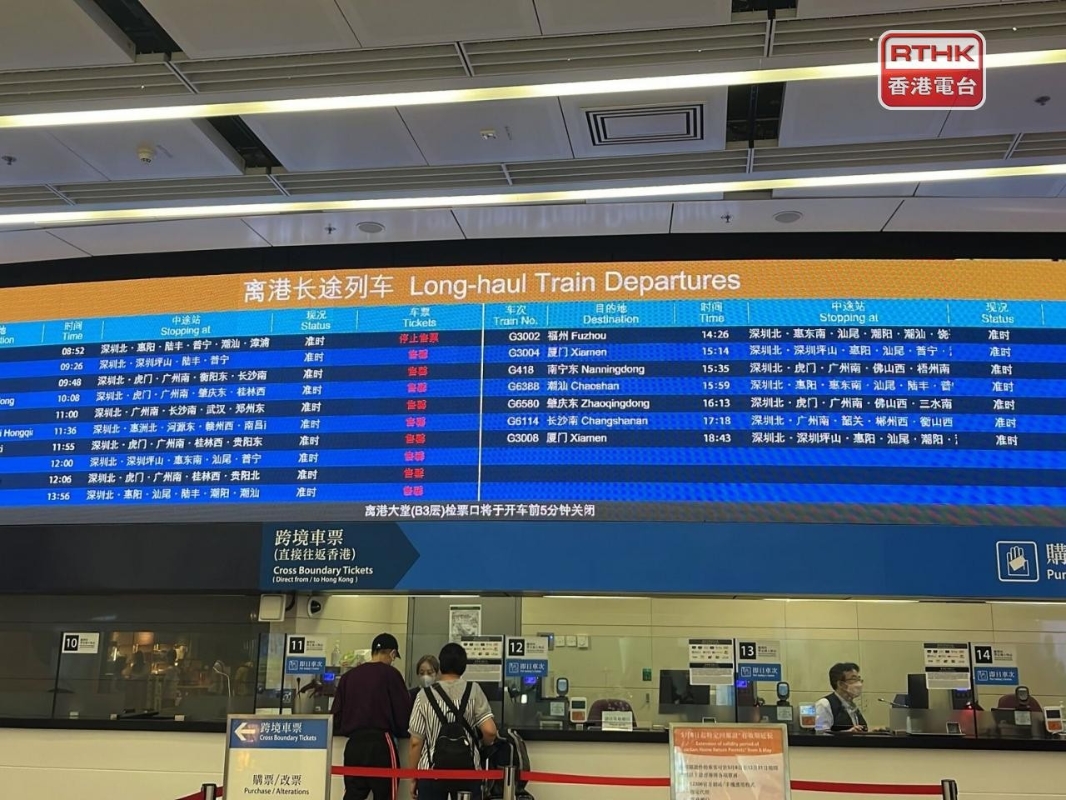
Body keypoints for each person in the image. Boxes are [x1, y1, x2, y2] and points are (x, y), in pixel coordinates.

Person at [409, 643, 497, 800]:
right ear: (463, 666)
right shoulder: (474, 690)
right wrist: (483, 745)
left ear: (441, 666)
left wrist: (413, 777)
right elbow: (490, 731)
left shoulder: (423, 695)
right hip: (467, 770)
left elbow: (416, 742)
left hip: (431, 771)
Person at [332, 633, 412, 800]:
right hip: (381, 744)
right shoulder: (391, 674)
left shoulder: (348, 677)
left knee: (353, 795)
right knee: (386, 795)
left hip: (354, 745)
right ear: (392, 654)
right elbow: (403, 713)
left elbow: (336, 716)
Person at [814, 662, 868, 733]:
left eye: (859, 679)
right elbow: (820, 734)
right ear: (840, 684)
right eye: (854, 679)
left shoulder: (852, 706)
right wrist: (847, 733)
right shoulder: (824, 704)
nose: (859, 684)